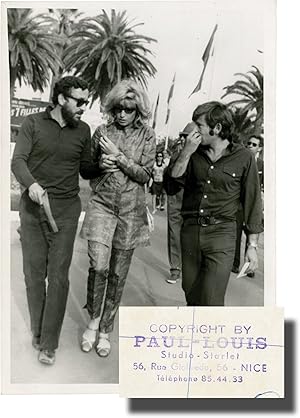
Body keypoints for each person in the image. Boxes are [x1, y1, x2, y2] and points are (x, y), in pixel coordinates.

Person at [11, 76, 101, 365]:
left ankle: (49, 343)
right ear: (62, 99)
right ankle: (38, 331)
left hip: (66, 211)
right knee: (34, 275)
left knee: (59, 278)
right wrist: (31, 184)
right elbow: (18, 161)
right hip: (32, 209)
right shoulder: (33, 124)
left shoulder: (84, 130)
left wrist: (102, 165)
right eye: (79, 101)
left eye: (85, 102)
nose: (83, 108)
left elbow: (86, 170)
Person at [80, 80, 156, 357]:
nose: (123, 114)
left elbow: (146, 176)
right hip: (101, 205)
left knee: (117, 273)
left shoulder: (148, 136)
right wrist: (100, 164)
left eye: (129, 109)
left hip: (130, 211)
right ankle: (92, 321)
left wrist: (118, 157)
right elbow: (86, 170)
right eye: (119, 108)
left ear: (139, 110)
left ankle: (106, 329)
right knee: (98, 266)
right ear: (112, 107)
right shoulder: (101, 131)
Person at [165, 101, 263, 306]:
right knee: (191, 293)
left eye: (199, 125)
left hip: (222, 234)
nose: (194, 130)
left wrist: (252, 245)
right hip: (191, 231)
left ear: (217, 128)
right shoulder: (191, 153)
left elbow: (253, 201)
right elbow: (172, 184)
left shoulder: (244, 157)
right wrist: (185, 153)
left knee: (211, 299)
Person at [165, 122, 196, 284]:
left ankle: (190, 268)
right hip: (176, 196)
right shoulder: (177, 154)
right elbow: (169, 174)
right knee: (174, 233)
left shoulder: (202, 157)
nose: (184, 140)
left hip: (194, 200)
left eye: (188, 137)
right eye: (183, 137)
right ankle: (175, 269)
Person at [232, 135, 264, 276]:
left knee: (252, 234)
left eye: (254, 144)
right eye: (249, 143)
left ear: (259, 148)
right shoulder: (241, 160)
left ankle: (248, 267)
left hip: (253, 203)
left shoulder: (262, 165)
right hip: (239, 204)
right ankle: (234, 263)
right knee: (236, 233)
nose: (250, 146)